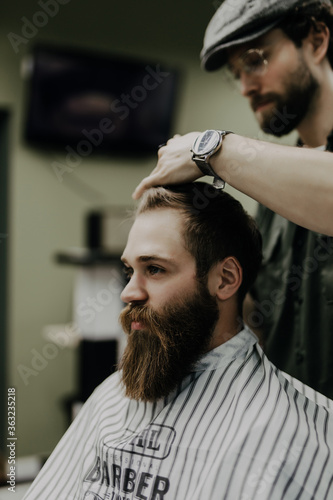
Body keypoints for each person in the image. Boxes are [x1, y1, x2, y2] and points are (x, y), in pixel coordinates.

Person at [23, 182, 333, 500]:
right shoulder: (112, 395)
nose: (128, 292)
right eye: (129, 270)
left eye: (154, 269)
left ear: (225, 279)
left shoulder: (296, 433)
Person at [132, 0, 333, 399]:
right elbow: (258, 318)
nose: (245, 87)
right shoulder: (274, 203)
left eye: (256, 60)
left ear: (316, 39)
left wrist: (208, 149)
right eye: (236, 74)